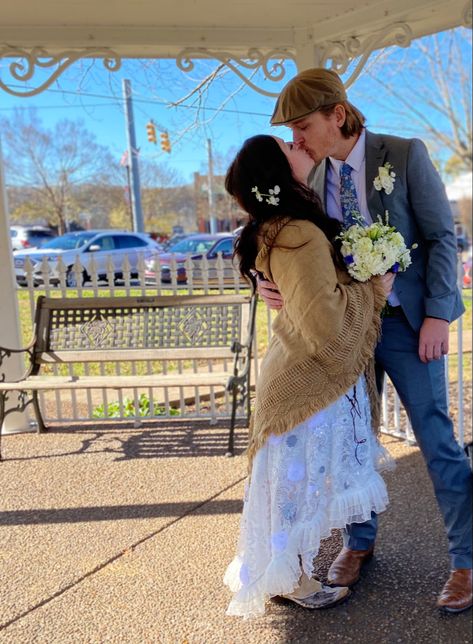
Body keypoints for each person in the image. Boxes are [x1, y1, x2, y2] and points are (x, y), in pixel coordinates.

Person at [259, 67, 472, 613]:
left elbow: (441, 237)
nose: (297, 140)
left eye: (303, 125)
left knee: (437, 438)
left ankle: (466, 559)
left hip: (408, 323)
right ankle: (359, 542)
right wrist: (267, 279)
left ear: (339, 114)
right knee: (355, 440)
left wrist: (438, 317)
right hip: (349, 328)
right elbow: (284, 239)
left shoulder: (403, 154)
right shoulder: (310, 174)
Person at [223, 134, 395, 619]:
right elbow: (325, 326)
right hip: (306, 385)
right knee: (294, 493)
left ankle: (284, 572)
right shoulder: (296, 232)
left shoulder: (285, 227)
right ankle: (291, 578)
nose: (299, 143)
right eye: (287, 145)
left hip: (297, 377)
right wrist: (373, 288)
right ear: (280, 170)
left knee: (291, 490)